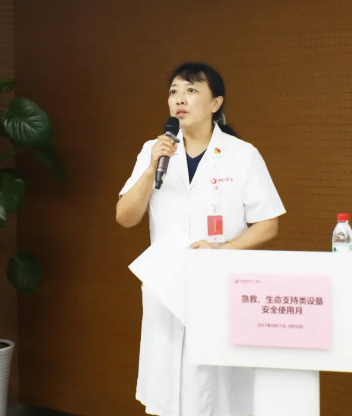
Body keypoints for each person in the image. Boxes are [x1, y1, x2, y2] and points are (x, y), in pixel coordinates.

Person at [116, 62, 286, 416]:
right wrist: (151, 169)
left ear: (215, 103)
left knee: (220, 393)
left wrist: (224, 250)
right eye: (174, 91)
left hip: (220, 284)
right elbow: (125, 217)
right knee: (168, 390)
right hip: (167, 288)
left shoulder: (242, 154)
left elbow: (268, 223)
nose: (180, 99)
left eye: (191, 90)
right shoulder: (153, 150)